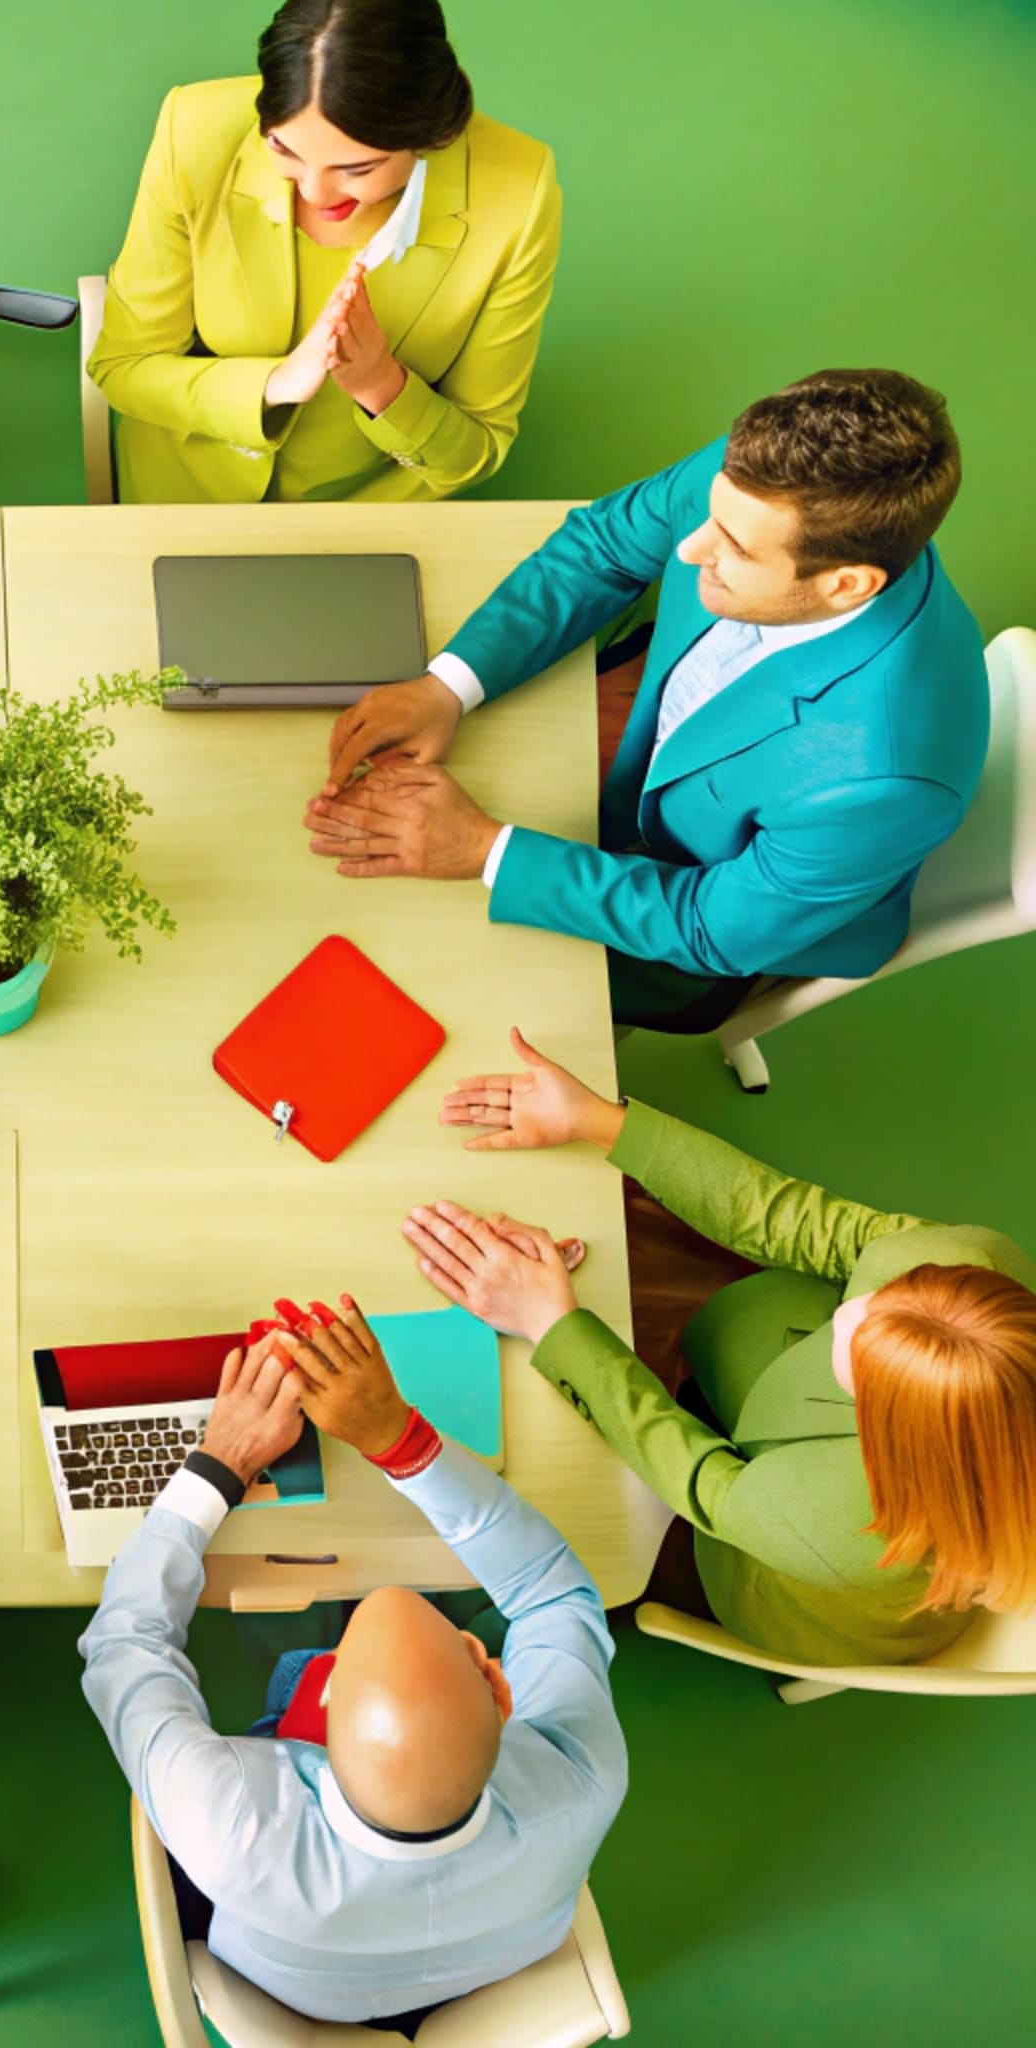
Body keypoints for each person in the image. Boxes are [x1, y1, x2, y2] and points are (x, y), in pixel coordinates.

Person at [308, 367, 985, 1032]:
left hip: (702, 923)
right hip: (662, 759)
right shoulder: (763, 483)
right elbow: (605, 547)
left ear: (846, 585)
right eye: (713, 512)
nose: (690, 551)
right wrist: (447, 686)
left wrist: (487, 852)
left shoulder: (884, 779)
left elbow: (710, 929)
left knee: (434, 978)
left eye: (736, 550)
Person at [415, 1027, 1036, 1664]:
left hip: (774, 1565)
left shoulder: (838, 1527)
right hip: (779, 1387)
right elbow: (794, 1220)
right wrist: (599, 1120)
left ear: (886, 1424)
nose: (849, 1308)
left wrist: (551, 1323)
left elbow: (693, 1472)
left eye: (861, 1349)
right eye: (882, 1298)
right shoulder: (972, 1262)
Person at [79, 1316, 625, 2027]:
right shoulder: (582, 1781)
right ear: (495, 1685)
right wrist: (402, 1443)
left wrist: (219, 1465)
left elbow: (125, 1645)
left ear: (321, 1703)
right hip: (486, 1963)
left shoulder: (230, 1821)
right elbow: (556, 1593)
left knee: (294, 1631)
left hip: (312, 1988)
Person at [88, 0, 559, 506]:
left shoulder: (517, 189)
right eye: (284, 152)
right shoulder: (194, 130)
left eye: (357, 169)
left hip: (372, 520)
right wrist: (277, 382)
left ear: (429, 137)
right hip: (184, 499)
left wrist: (383, 385)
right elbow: (125, 367)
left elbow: (477, 450)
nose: (316, 192)